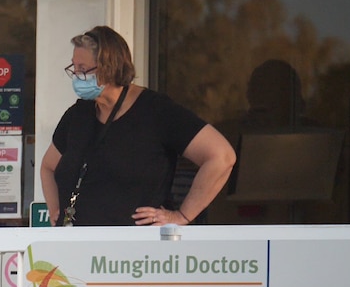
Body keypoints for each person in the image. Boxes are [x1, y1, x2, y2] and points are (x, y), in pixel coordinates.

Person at [40, 25, 236, 227]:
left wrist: (182, 216)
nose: (76, 76)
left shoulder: (156, 111)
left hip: (134, 253)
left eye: (83, 69)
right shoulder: (78, 115)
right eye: (74, 68)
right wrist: (56, 210)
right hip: (76, 247)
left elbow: (221, 156)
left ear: (109, 67)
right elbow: (47, 167)